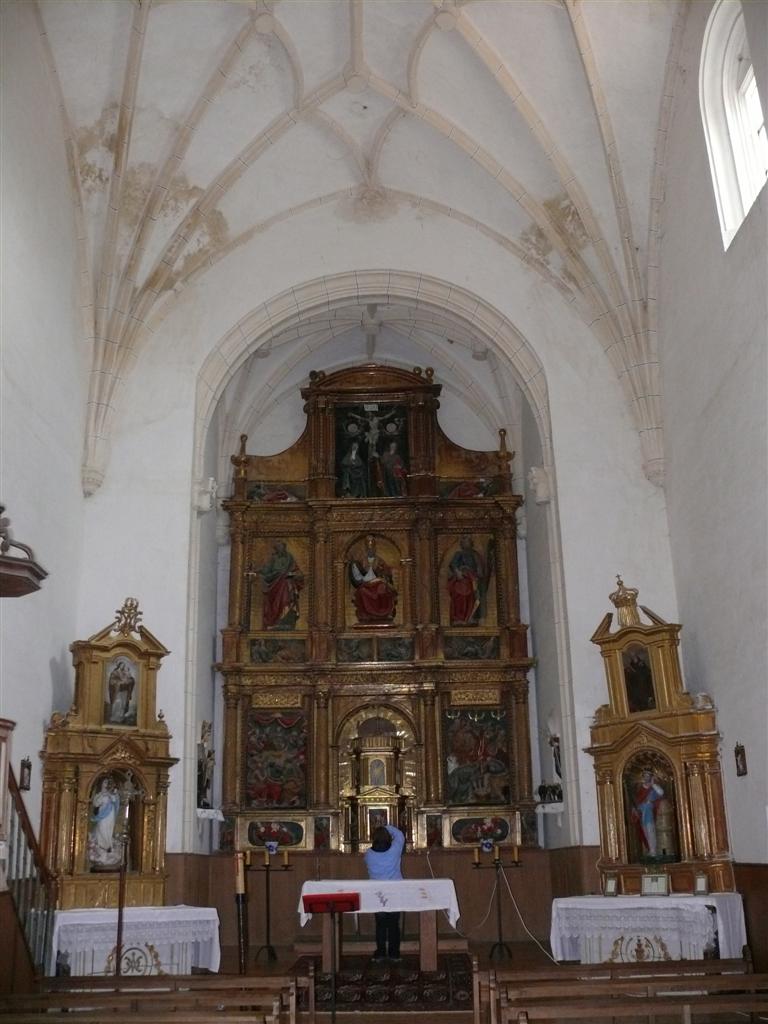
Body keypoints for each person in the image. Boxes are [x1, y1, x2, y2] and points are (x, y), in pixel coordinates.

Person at [364, 824, 405, 962]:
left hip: (377, 893)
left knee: (380, 924)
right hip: (395, 892)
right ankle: (394, 954)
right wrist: (387, 827)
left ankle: (380, 953)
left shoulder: (369, 854)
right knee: (394, 923)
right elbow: (400, 835)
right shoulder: (395, 850)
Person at [349, 536, 397, 623]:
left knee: (382, 590)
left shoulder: (380, 561)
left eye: (372, 547)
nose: (370, 549)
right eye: (368, 548)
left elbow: (387, 575)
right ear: (366, 549)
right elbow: (357, 577)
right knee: (362, 591)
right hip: (366, 585)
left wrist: (382, 578)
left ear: (374, 548)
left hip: (379, 584)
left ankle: (383, 614)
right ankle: (366, 615)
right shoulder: (361, 561)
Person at [257, 541, 304, 630]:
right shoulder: (274, 558)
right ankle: (274, 622)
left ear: (284, 548)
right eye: (278, 547)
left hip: (286, 583)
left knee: (287, 600)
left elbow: (296, 570)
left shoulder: (289, 557)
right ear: (276, 549)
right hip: (275, 584)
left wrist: (296, 575)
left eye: (281, 547)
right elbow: (266, 569)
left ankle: (286, 622)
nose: (280, 549)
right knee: (275, 604)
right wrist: (258, 570)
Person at [447, 535, 487, 625]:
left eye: (468, 541)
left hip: (471, 580)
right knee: (460, 597)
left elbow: (479, 568)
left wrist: (478, 575)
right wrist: (457, 572)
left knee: (472, 598)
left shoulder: (475, 554)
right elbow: (453, 564)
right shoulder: (459, 554)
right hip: (461, 580)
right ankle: (458, 618)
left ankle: (470, 617)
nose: (466, 543)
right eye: (464, 541)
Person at [631, 770, 664, 857]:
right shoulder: (640, 788)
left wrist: (653, 784)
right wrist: (635, 809)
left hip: (650, 812)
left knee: (650, 830)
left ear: (651, 777)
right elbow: (637, 801)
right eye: (645, 776)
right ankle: (650, 849)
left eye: (648, 776)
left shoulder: (653, 788)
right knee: (645, 831)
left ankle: (653, 850)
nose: (646, 778)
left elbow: (661, 792)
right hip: (642, 812)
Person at [89, 777, 120, 866]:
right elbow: (96, 803)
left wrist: (113, 795)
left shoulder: (111, 794)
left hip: (110, 815)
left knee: (109, 830)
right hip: (102, 816)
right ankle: (102, 847)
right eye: (105, 782)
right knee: (101, 829)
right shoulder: (99, 794)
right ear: (101, 784)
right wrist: (102, 798)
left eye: (108, 782)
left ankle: (108, 846)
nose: (106, 784)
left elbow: (115, 801)